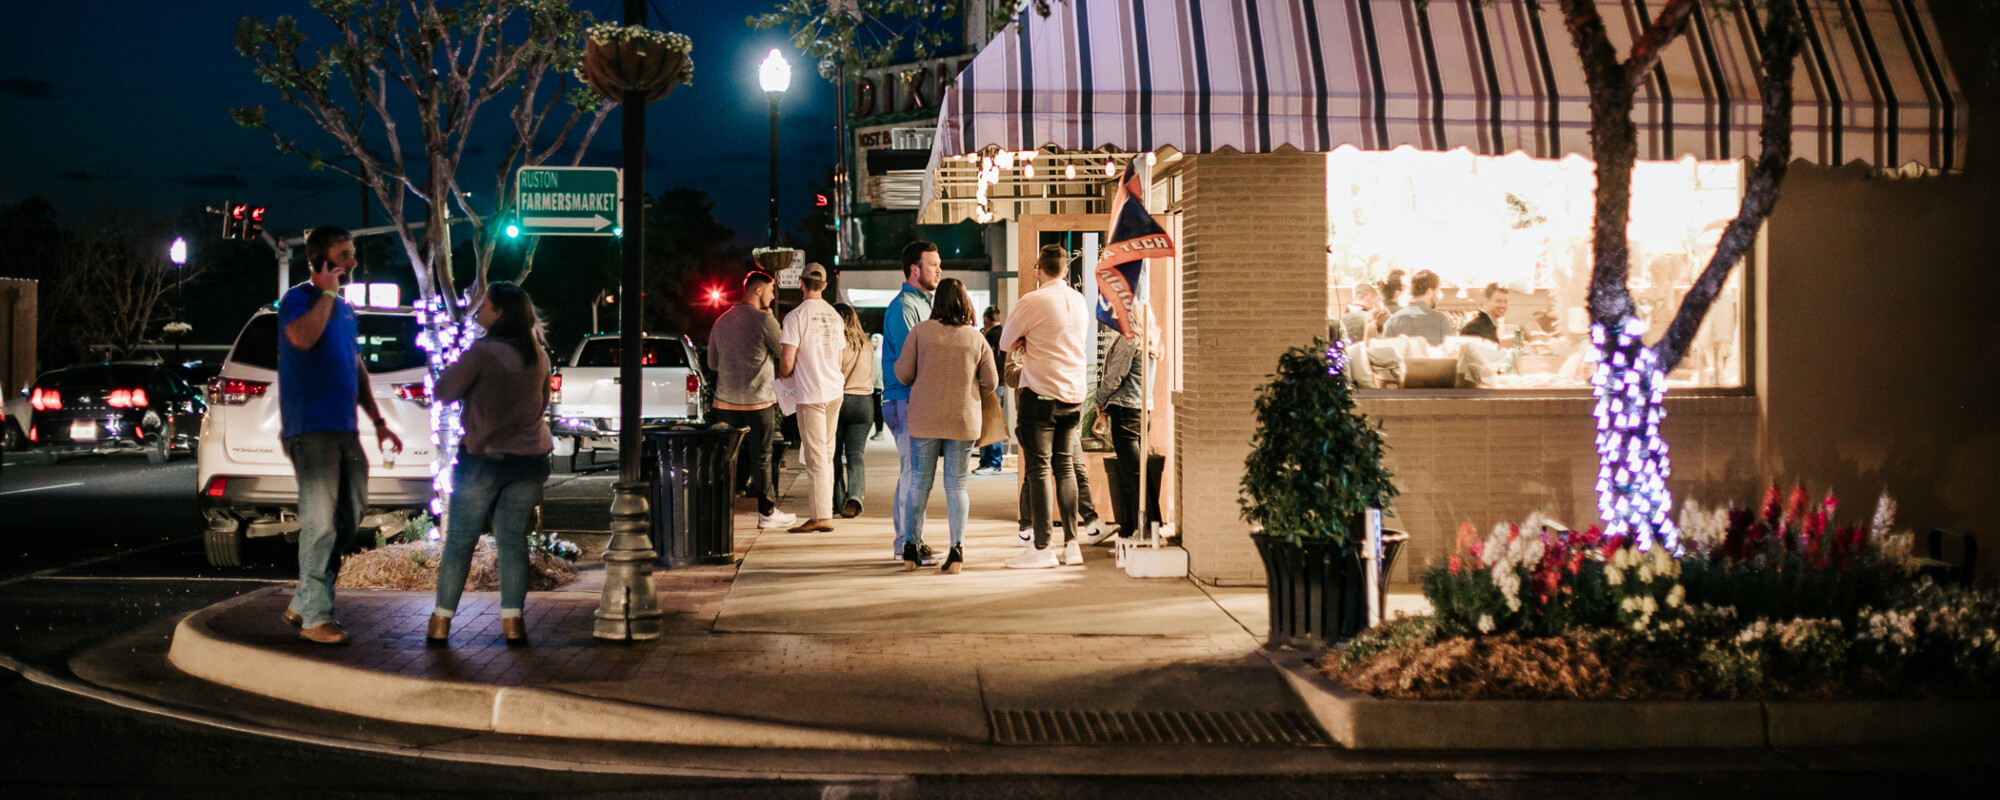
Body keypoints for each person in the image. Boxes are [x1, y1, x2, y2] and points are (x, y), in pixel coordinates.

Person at [277, 225, 404, 645]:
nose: (352, 262)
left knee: (349, 517)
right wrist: (327, 294)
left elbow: (355, 366)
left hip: (345, 428)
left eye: (351, 254)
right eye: (344, 255)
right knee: (320, 523)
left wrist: (379, 421)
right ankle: (316, 617)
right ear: (321, 261)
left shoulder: (346, 311)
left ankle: (301, 600)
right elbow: (301, 337)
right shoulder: (298, 300)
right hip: (310, 428)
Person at [427, 282, 554, 646]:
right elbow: (541, 404)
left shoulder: (481, 353)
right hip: (529, 461)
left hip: (482, 459)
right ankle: (513, 623)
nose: (477, 310)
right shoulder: (539, 357)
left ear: (500, 312)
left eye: (484, 305)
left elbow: (443, 392)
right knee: (512, 540)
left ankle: (440, 621)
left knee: (461, 541)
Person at [893, 278, 997, 574]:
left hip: (925, 418)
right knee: (957, 486)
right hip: (963, 419)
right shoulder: (975, 338)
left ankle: (910, 549)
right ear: (965, 302)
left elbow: (902, 373)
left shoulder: (920, 332)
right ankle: (957, 551)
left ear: (937, 302)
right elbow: (992, 382)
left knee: (919, 484)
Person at [998, 244, 1090, 569]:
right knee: (1065, 468)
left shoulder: (1032, 301)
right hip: (1074, 396)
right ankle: (1073, 544)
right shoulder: (1079, 302)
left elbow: (1005, 341)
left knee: (1039, 470)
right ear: (1065, 271)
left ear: (1039, 269)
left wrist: (1027, 340)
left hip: (1041, 397)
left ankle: (1042, 548)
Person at [706, 271, 796, 530]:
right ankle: (766, 513)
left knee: (725, 459)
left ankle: (720, 512)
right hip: (758, 403)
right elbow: (782, 352)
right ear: (758, 290)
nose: (773, 295)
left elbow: (712, 363)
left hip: (724, 404)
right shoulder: (763, 320)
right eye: (771, 290)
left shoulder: (720, 321)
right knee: (762, 457)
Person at [882, 240, 941, 562]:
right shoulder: (904, 307)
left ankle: (910, 540)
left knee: (916, 473)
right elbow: (912, 362)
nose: (939, 270)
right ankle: (906, 544)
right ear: (914, 269)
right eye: (933, 265)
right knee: (913, 473)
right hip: (904, 400)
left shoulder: (921, 304)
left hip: (912, 399)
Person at [777, 263, 847, 533]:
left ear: (801, 285)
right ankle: (824, 511)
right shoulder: (835, 316)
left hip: (811, 392)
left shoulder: (795, 317)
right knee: (826, 454)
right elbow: (839, 358)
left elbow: (786, 362)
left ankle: (821, 516)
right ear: (825, 286)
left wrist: (786, 374)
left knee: (816, 456)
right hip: (834, 390)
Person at [1095, 304, 1161, 541]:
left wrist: (1098, 401)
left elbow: (1115, 377)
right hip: (1142, 411)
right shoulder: (1148, 339)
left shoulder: (1129, 338)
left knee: (1132, 473)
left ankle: (1141, 529)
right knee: (1139, 471)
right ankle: (1150, 528)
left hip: (1125, 411)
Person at [831, 303, 875, 518]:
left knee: (835, 455)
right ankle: (855, 496)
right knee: (856, 453)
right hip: (864, 401)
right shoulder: (867, 344)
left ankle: (838, 500)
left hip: (840, 399)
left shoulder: (837, 343)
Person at [974, 306, 1007, 475]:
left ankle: (992, 463)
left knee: (990, 423)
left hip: (991, 385)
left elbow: (988, 361)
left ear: (986, 318)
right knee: (992, 421)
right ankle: (989, 462)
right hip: (1000, 383)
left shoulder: (990, 336)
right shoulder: (1004, 333)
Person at [1382, 269, 1452, 346]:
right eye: (1437, 291)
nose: (1437, 297)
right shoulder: (1440, 320)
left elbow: (1386, 354)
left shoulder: (1392, 321)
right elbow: (1449, 352)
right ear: (1429, 291)